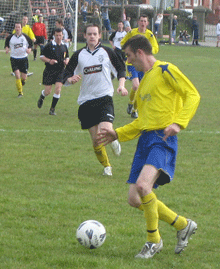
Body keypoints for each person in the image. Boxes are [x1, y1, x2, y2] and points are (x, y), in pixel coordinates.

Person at [97, 35, 200, 259]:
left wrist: (178, 123)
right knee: (134, 198)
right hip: (145, 141)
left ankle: (153, 241)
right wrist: (118, 133)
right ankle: (183, 224)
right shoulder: (144, 82)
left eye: (129, 56)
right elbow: (142, 122)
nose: (128, 61)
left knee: (144, 186)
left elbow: (192, 94)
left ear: (140, 53)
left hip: (162, 139)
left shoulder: (166, 70)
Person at [62, 23, 128, 176]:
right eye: (89, 34)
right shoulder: (78, 55)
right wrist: (70, 80)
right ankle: (107, 167)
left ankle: (113, 139)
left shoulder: (107, 52)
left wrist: (122, 85)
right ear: (84, 36)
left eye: (95, 34)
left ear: (99, 36)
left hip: (104, 97)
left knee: (105, 129)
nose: (92, 36)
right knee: (96, 140)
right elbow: (66, 74)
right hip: (86, 101)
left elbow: (120, 69)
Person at [121, 15, 159, 119]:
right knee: (136, 86)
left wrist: (148, 53)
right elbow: (123, 43)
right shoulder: (132, 33)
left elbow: (155, 47)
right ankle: (131, 102)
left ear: (147, 23)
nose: (143, 23)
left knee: (141, 88)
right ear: (138, 22)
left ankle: (134, 109)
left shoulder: (149, 35)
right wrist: (128, 52)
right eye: (141, 21)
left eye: (145, 21)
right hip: (132, 63)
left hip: (144, 65)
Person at [37, 28, 69, 115]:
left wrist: (66, 61)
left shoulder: (64, 46)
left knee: (58, 89)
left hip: (60, 71)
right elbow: (41, 57)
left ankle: (52, 109)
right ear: (54, 36)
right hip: (49, 71)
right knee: (48, 91)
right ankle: (42, 96)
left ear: (62, 36)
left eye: (60, 35)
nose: (58, 37)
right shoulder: (49, 45)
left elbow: (67, 56)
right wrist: (49, 61)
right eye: (57, 35)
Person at [5, 22, 33, 97]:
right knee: (17, 75)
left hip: (23, 58)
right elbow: (6, 44)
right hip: (14, 58)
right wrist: (7, 49)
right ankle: (20, 93)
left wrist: (29, 49)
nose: (17, 28)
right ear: (14, 28)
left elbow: (31, 44)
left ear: (21, 28)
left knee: (24, 77)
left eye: (18, 27)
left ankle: (22, 82)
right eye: (16, 27)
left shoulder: (25, 37)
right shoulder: (10, 37)